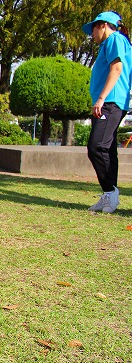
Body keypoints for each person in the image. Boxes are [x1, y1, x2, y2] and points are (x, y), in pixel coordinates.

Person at [82, 11, 131, 213]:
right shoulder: (112, 43)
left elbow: (116, 69)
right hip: (110, 102)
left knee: (96, 146)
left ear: (102, 25)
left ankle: (110, 191)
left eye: (93, 29)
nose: (92, 35)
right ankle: (109, 194)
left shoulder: (114, 39)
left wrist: (101, 98)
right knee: (108, 148)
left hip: (110, 102)